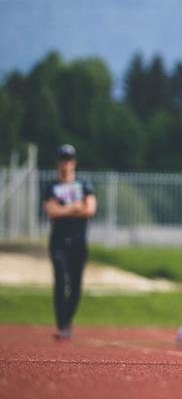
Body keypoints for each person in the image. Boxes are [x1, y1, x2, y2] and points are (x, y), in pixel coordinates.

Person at [43, 144, 97, 340]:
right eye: (62, 159)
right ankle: (61, 323)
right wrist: (74, 208)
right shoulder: (51, 187)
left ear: (74, 162)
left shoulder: (84, 185)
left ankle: (66, 323)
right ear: (58, 162)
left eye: (69, 159)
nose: (65, 163)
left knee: (75, 284)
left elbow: (90, 209)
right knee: (59, 278)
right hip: (58, 240)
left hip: (78, 240)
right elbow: (51, 211)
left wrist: (63, 209)